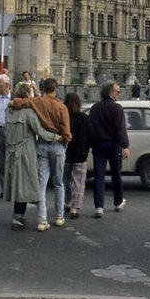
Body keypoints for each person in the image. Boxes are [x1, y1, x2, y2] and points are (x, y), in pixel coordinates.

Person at [8, 77, 71, 232]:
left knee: (41, 184)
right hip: (57, 145)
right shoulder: (62, 107)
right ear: (56, 90)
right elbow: (66, 131)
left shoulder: (38, 102)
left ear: (43, 90)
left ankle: (41, 220)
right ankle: (59, 216)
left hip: (42, 145)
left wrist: (13, 102)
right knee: (59, 183)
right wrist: (65, 142)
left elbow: (23, 102)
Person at [88, 82, 129, 218]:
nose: (120, 94)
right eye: (118, 92)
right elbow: (120, 129)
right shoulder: (117, 108)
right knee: (116, 174)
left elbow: (91, 129)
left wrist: (92, 143)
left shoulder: (95, 108)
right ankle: (118, 202)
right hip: (114, 145)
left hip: (99, 145)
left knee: (99, 176)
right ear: (111, 93)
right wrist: (125, 146)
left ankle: (99, 207)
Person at [62, 92, 89, 220]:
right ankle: (74, 208)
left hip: (66, 152)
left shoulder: (64, 117)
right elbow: (90, 135)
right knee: (78, 182)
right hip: (80, 153)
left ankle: (66, 202)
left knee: (65, 180)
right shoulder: (84, 118)